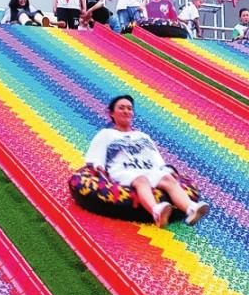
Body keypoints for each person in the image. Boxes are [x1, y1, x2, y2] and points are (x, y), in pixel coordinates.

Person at [85, 95, 210, 228]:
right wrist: (98, 166)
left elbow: (154, 156)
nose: (126, 111)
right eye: (121, 108)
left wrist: (165, 169)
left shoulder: (142, 136)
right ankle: (156, 212)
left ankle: (191, 209)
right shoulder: (106, 134)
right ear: (111, 113)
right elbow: (95, 154)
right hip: (123, 170)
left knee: (167, 179)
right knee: (141, 180)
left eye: (129, 108)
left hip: (147, 168)